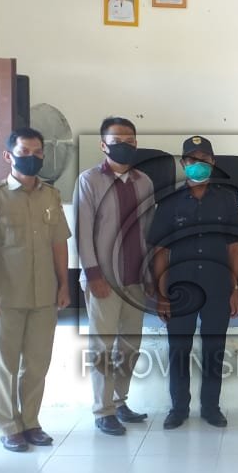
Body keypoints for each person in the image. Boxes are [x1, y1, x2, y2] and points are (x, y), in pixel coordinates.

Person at [0, 128, 71, 452]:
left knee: (37, 364)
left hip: (44, 294)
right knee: (6, 365)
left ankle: (30, 422)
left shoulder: (51, 196)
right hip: (5, 297)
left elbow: (59, 244)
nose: (32, 158)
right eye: (24, 152)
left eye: (37, 152)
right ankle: (8, 425)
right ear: (8, 156)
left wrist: (64, 284)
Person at [149, 136, 238, 429]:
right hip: (181, 288)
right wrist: (161, 294)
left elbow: (234, 248)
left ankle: (211, 408)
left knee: (214, 349)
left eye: (204, 159)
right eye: (192, 160)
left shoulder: (226, 199)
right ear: (183, 164)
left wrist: (235, 289)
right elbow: (160, 250)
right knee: (179, 350)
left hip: (218, 287)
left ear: (213, 162)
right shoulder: (169, 202)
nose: (198, 164)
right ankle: (178, 408)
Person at [75, 117, 154, 436]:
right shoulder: (89, 180)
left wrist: (150, 274)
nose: (125, 146)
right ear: (103, 145)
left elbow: (148, 230)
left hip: (135, 278)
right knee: (103, 347)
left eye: (130, 141)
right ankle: (103, 409)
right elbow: (83, 232)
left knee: (130, 346)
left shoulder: (144, 182)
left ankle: (120, 402)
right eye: (117, 141)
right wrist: (93, 274)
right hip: (103, 280)